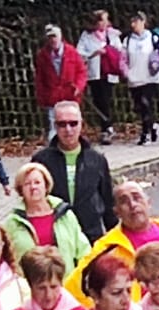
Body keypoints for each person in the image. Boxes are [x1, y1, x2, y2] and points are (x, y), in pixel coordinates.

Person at [69, 179, 159, 303]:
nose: (132, 204)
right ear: (116, 212)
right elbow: (73, 288)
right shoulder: (109, 247)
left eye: (137, 197)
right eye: (124, 201)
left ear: (148, 202)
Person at [32, 102, 116, 244]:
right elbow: (32, 202)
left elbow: (108, 203)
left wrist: (114, 240)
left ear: (81, 124)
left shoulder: (97, 160)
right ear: (55, 126)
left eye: (73, 123)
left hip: (91, 236)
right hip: (56, 237)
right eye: (62, 124)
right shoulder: (41, 160)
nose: (68, 129)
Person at [2, 162, 92, 276]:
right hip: (28, 288)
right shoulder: (12, 222)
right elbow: (6, 259)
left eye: (37, 182)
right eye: (27, 184)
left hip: (67, 285)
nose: (33, 187)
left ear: (46, 186)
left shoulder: (66, 215)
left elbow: (84, 251)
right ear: (21, 190)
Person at [77, 10, 125, 144]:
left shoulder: (112, 34)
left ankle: (107, 127)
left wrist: (109, 50)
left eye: (106, 19)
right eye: (102, 20)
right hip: (95, 72)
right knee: (99, 100)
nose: (105, 22)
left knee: (106, 99)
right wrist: (94, 53)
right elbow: (79, 53)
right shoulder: (86, 36)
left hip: (109, 71)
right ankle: (106, 126)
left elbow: (120, 50)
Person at [34, 29, 88, 138]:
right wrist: (41, 96)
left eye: (54, 36)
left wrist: (78, 87)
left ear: (60, 37)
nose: (52, 40)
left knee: (73, 122)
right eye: (50, 37)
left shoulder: (71, 52)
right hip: (52, 96)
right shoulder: (43, 55)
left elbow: (81, 72)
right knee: (54, 124)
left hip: (70, 94)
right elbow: (40, 78)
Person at [123, 12, 159, 144]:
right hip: (134, 77)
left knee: (147, 103)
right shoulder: (128, 40)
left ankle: (145, 133)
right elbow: (123, 59)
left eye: (136, 22)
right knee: (140, 106)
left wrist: (157, 65)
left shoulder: (153, 37)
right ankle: (153, 126)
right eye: (132, 22)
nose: (133, 25)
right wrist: (126, 72)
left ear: (143, 22)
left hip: (150, 77)